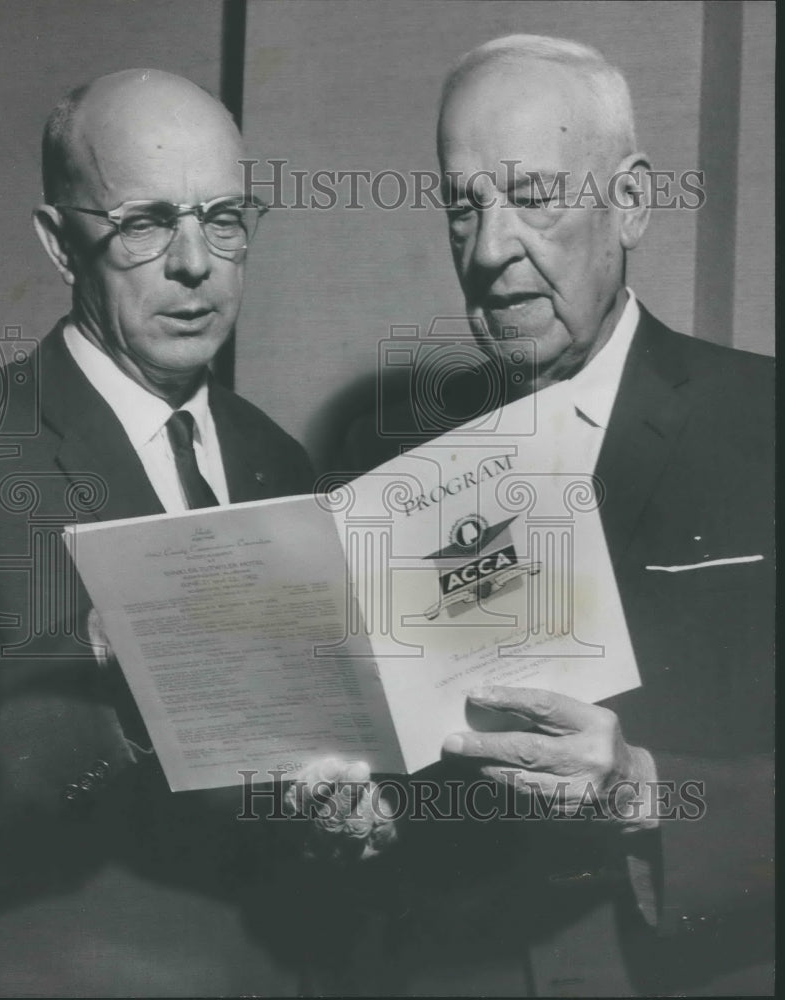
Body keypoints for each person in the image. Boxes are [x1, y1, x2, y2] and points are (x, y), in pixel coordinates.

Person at [335, 35, 774, 996]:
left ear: (630, 203)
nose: (490, 252)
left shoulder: (766, 425)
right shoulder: (388, 471)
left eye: (533, 197)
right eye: (464, 206)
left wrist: (656, 793)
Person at [0, 69, 385, 997]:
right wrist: (115, 653)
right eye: (146, 222)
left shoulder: (275, 454)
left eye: (224, 217)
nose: (196, 261)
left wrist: (346, 803)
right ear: (58, 242)